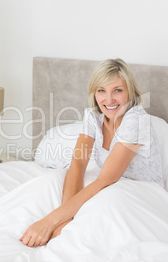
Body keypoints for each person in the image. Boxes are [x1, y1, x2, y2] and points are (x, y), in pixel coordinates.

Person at [20, 58, 164, 247]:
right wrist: (64, 220)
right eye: (101, 90)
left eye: (118, 90)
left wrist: (49, 221)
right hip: (111, 184)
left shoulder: (135, 120)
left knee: (107, 201)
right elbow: (78, 165)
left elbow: (106, 179)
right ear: (94, 92)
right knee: (54, 179)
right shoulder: (93, 117)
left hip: (140, 192)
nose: (109, 99)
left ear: (130, 92)